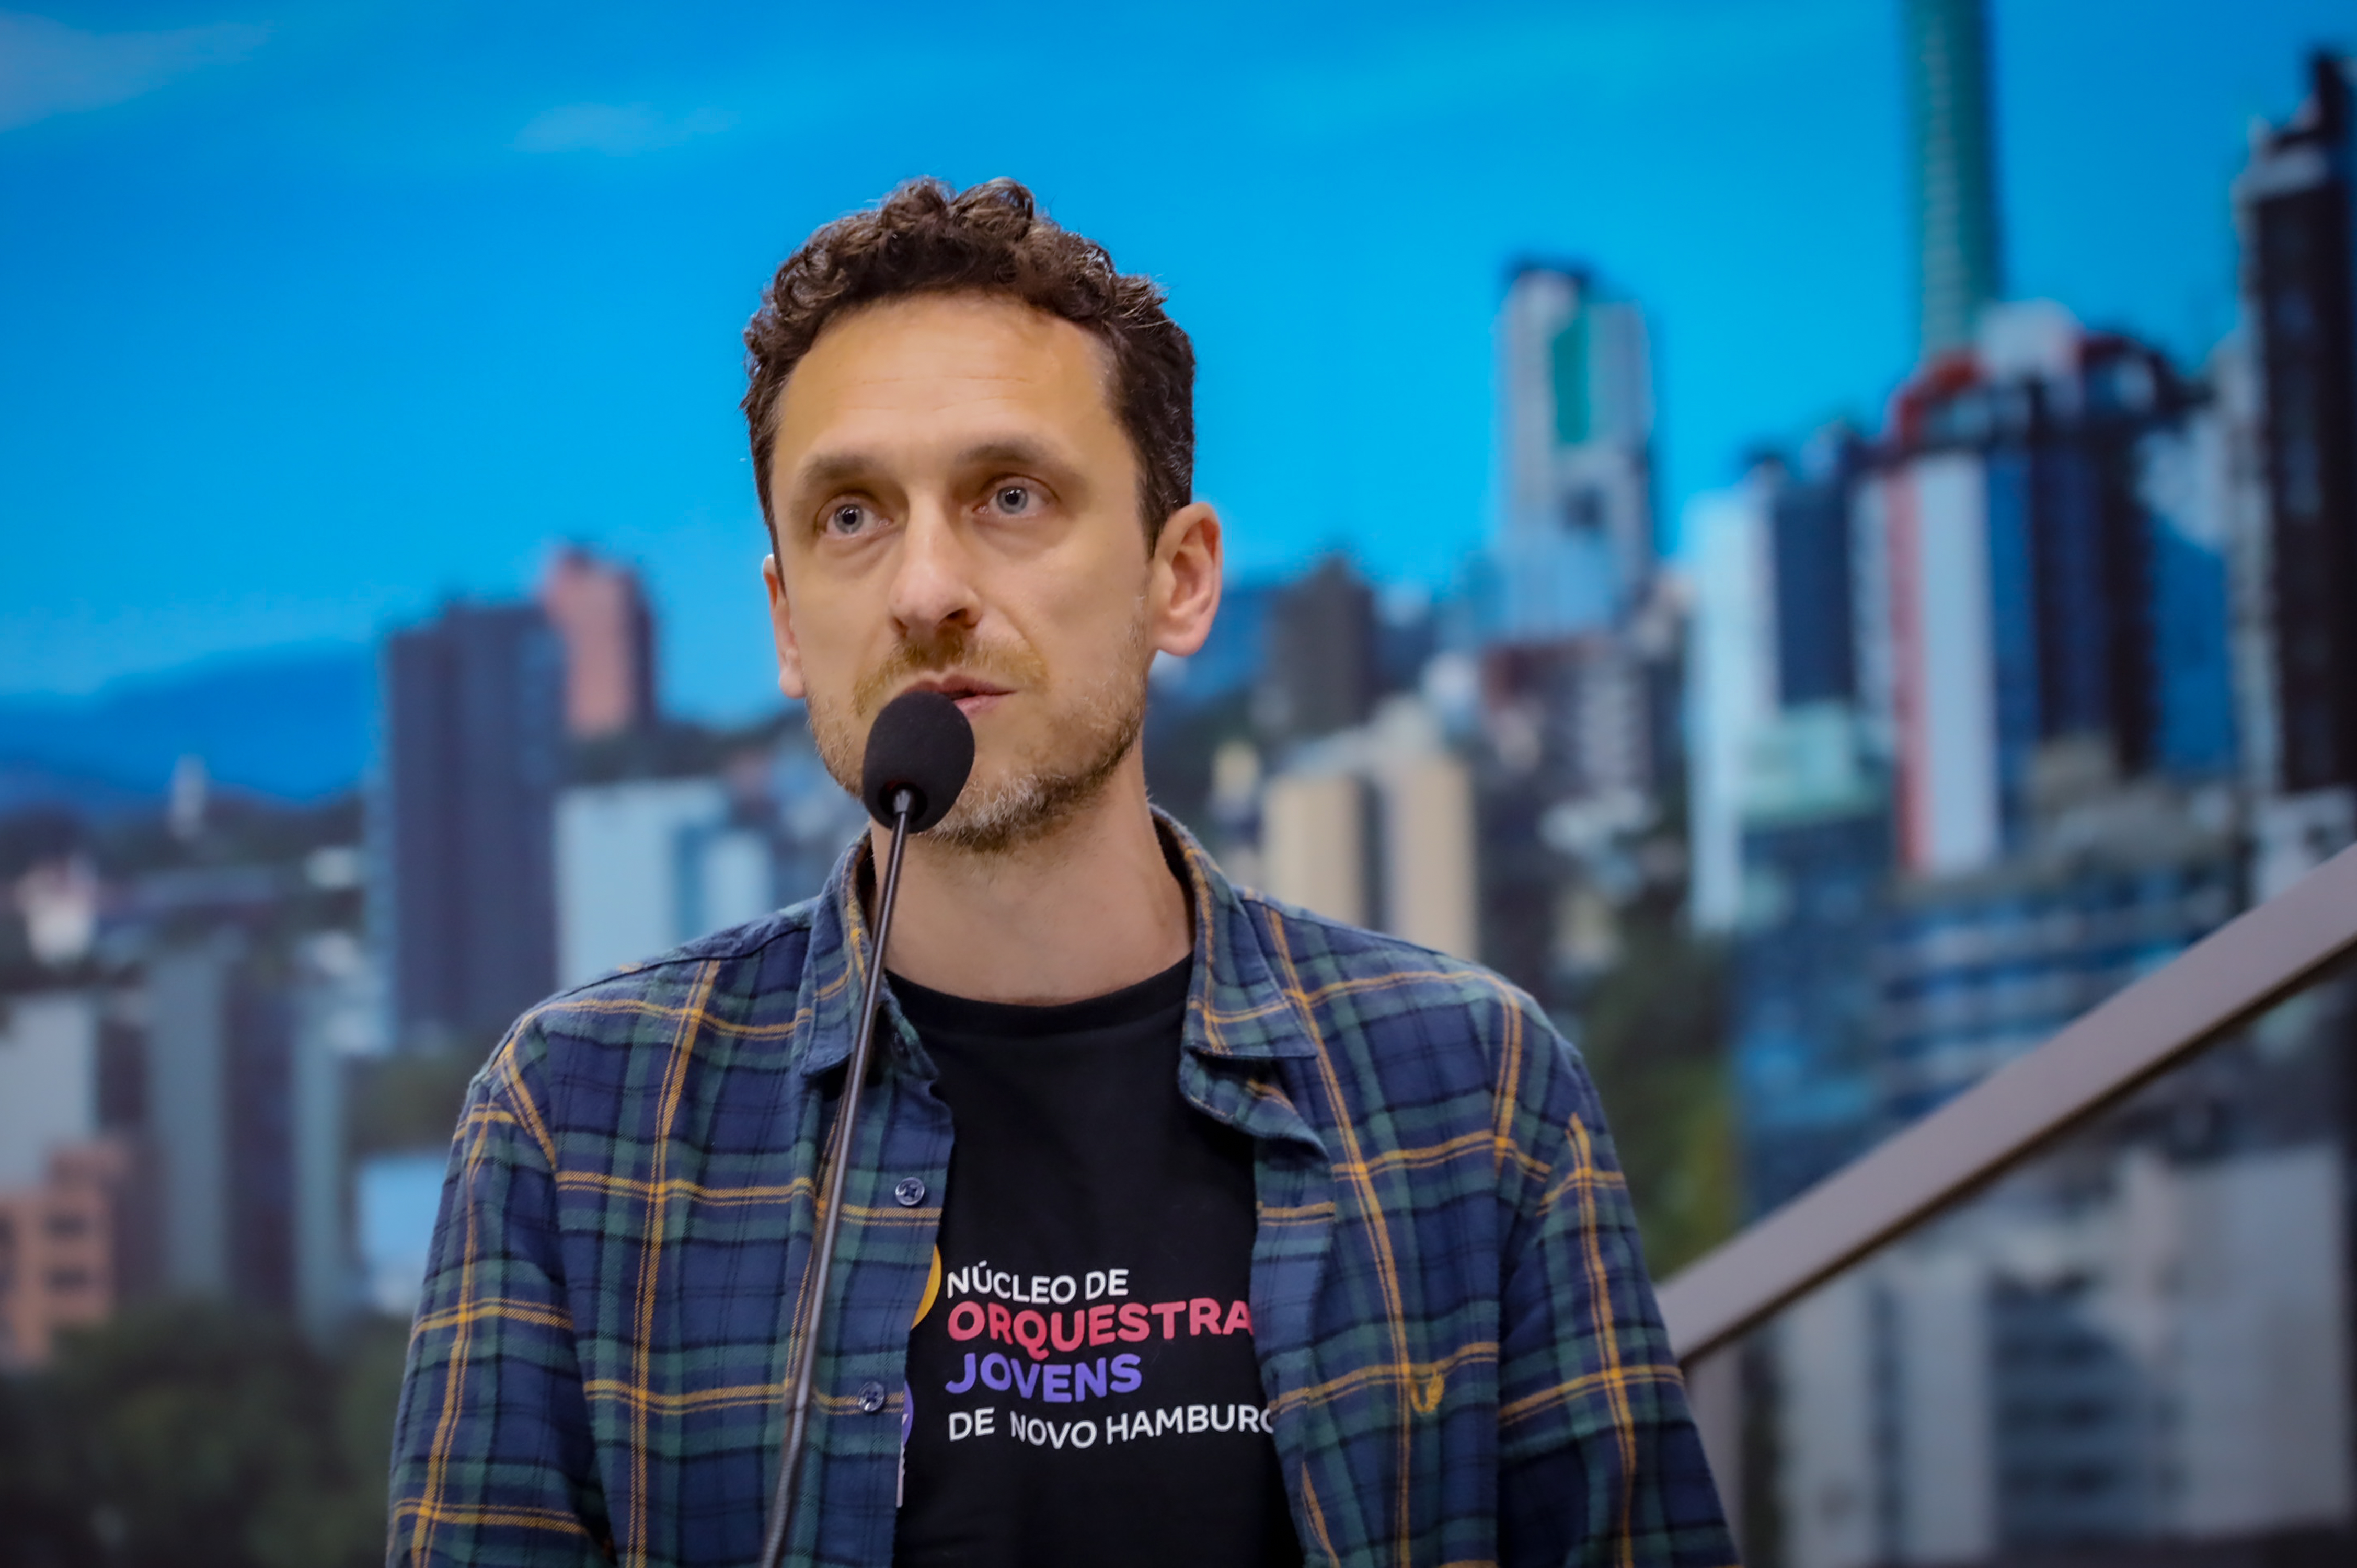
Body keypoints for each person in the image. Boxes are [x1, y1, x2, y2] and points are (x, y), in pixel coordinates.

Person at [388, 177, 1737, 1568]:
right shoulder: (581, 1119)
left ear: (1179, 579)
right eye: (850, 516)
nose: (924, 590)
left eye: (1010, 495)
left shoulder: (1471, 1089)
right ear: (787, 624)